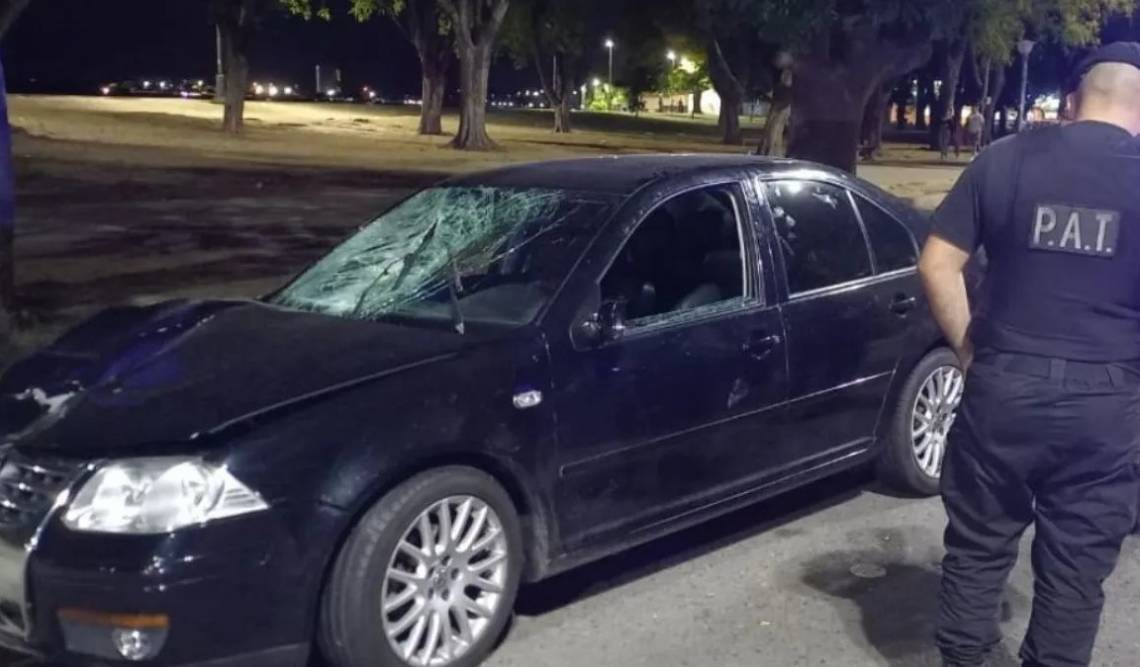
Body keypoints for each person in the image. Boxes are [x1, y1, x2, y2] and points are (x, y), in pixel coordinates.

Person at [919, 42, 1140, 667]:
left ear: (1073, 100)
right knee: (1075, 570)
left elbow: (938, 262)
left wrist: (970, 351)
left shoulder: (1006, 159)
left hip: (1004, 387)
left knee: (978, 547)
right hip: (1106, 402)